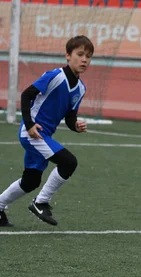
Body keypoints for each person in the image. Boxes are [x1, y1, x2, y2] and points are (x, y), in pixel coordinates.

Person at [0, 35, 93, 227]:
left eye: (88, 56)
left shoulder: (81, 88)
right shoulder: (55, 76)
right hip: (32, 133)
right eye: (80, 54)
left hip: (44, 136)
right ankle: (40, 202)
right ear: (68, 55)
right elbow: (26, 95)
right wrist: (29, 124)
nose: (85, 59)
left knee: (31, 181)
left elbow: (69, 117)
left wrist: (75, 126)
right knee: (69, 162)